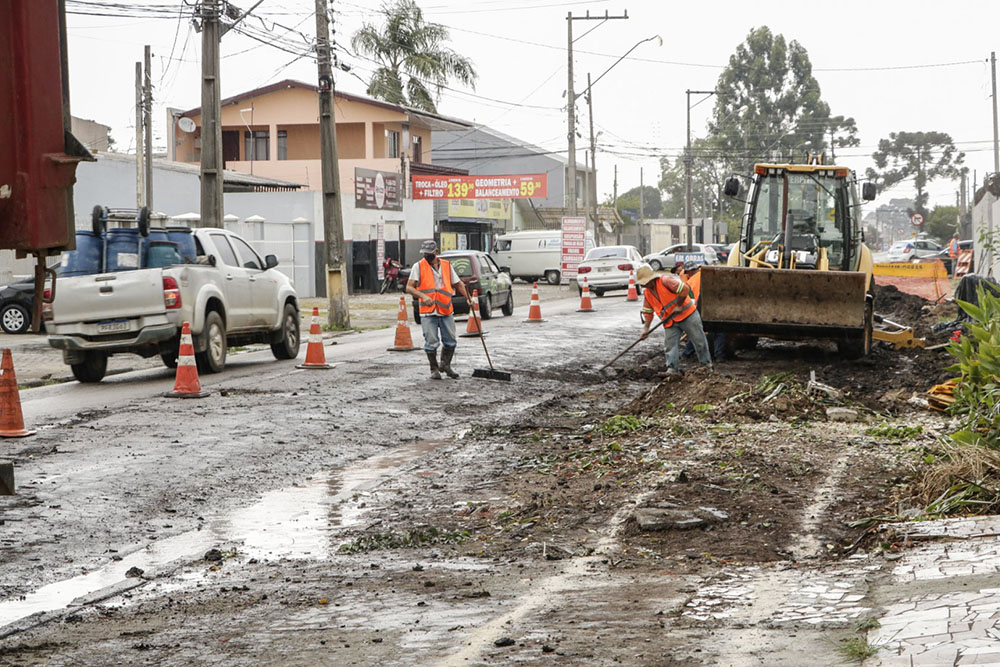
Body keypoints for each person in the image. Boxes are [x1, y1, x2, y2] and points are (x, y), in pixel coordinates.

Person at [405, 240, 474, 380]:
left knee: (450, 340)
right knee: (431, 341)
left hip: (445, 309)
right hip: (428, 310)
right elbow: (409, 287)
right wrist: (423, 296)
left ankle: (445, 365)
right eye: (425, 253)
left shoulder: (447, 266)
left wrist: (468, 298)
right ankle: (434, 369)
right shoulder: (418, 266)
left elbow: (458, 283)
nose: (427, 256)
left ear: (436, 252)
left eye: (429, 253)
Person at [637, 263, 712, 375]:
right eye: (643, 284)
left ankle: (706, 367)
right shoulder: (648, 293)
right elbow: (648, 312)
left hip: (687, 315)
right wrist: (646, 328)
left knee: (699, 341)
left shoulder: (665, 281)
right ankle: (672, 370)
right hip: (670, 321)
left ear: (651, 279)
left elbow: (685, 289)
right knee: (670, 346)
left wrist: (679, 305)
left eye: (646, 283)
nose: (645, 286)